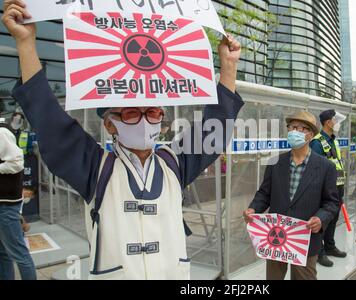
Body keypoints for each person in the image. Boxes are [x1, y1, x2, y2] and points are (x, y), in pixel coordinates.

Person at [3, 0, 244, 280]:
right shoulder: (95, 167)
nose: (144, 120)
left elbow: (213, 132)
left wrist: (228, 67)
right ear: (110, 123)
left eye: (152, 112)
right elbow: (51, 123)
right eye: (131, 113)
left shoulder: (174, 163)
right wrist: (26, 44)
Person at [243, 111, 340, 280]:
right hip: (276, 236)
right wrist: (253, 208)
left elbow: (331, 202)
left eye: (302, 129)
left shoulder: (326, 167)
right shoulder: (275, 162)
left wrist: (320, 219)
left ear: (310, 135)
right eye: (293, 127)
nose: (296, 131)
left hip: (305, 238)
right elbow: (264, 193)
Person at [0, 118, 37, 280]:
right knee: (3, 253)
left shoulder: (1, 132)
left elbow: (16, 163)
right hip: (3, 203)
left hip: (6, 204)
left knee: (19, 254)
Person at [310, 109, 347, 267]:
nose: (337, 123)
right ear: (327, 122)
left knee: (333, 218)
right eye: (335, 120)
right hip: (325, 188)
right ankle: (320, 252)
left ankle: (330, 246)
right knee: (322, 219)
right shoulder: (317, 142)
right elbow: (316, 169)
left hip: (338, 185)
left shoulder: (334, 140)